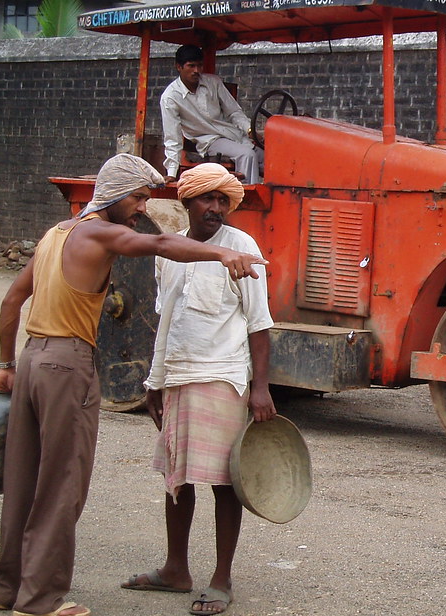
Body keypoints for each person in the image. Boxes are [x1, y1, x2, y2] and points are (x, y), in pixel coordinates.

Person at [0, 154, 266, 616]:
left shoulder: (54, 235)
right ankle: (39, 599)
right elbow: (160, 247)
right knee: (61, 484)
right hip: (67, 365)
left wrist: (5, 364)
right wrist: (221, 253)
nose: (140, 208)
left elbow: (11, 299)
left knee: (23, 479)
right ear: (116, 196)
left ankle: (6, 589)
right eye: (138, 197)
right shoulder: (101, 231)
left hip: (34, 359)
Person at [120, 163, 276, 615]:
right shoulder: (167, 252)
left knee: (226, 482)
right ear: (186, 202)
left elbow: (259, 324)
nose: (215, 207)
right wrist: (154, 380)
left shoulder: (242, 246)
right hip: (176, 377)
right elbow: (164, 321)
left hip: (223, 377)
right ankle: (175, 569)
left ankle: (221, 578)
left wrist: (260, 388)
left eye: (222, 200)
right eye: (207, 198)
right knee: (177, 478)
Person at [160, 45, 263, 184]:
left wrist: (249, 130)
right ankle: (243, 200)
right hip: (209, 141)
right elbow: (173, 138)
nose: (196, 71)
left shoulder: (213, 82)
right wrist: (172, 172)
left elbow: (234, 111)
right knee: (247, 155)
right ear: (179, 67)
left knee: (272, 158)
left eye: (199, 66)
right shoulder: (171, 97)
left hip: (234, 135)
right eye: (191, 66)